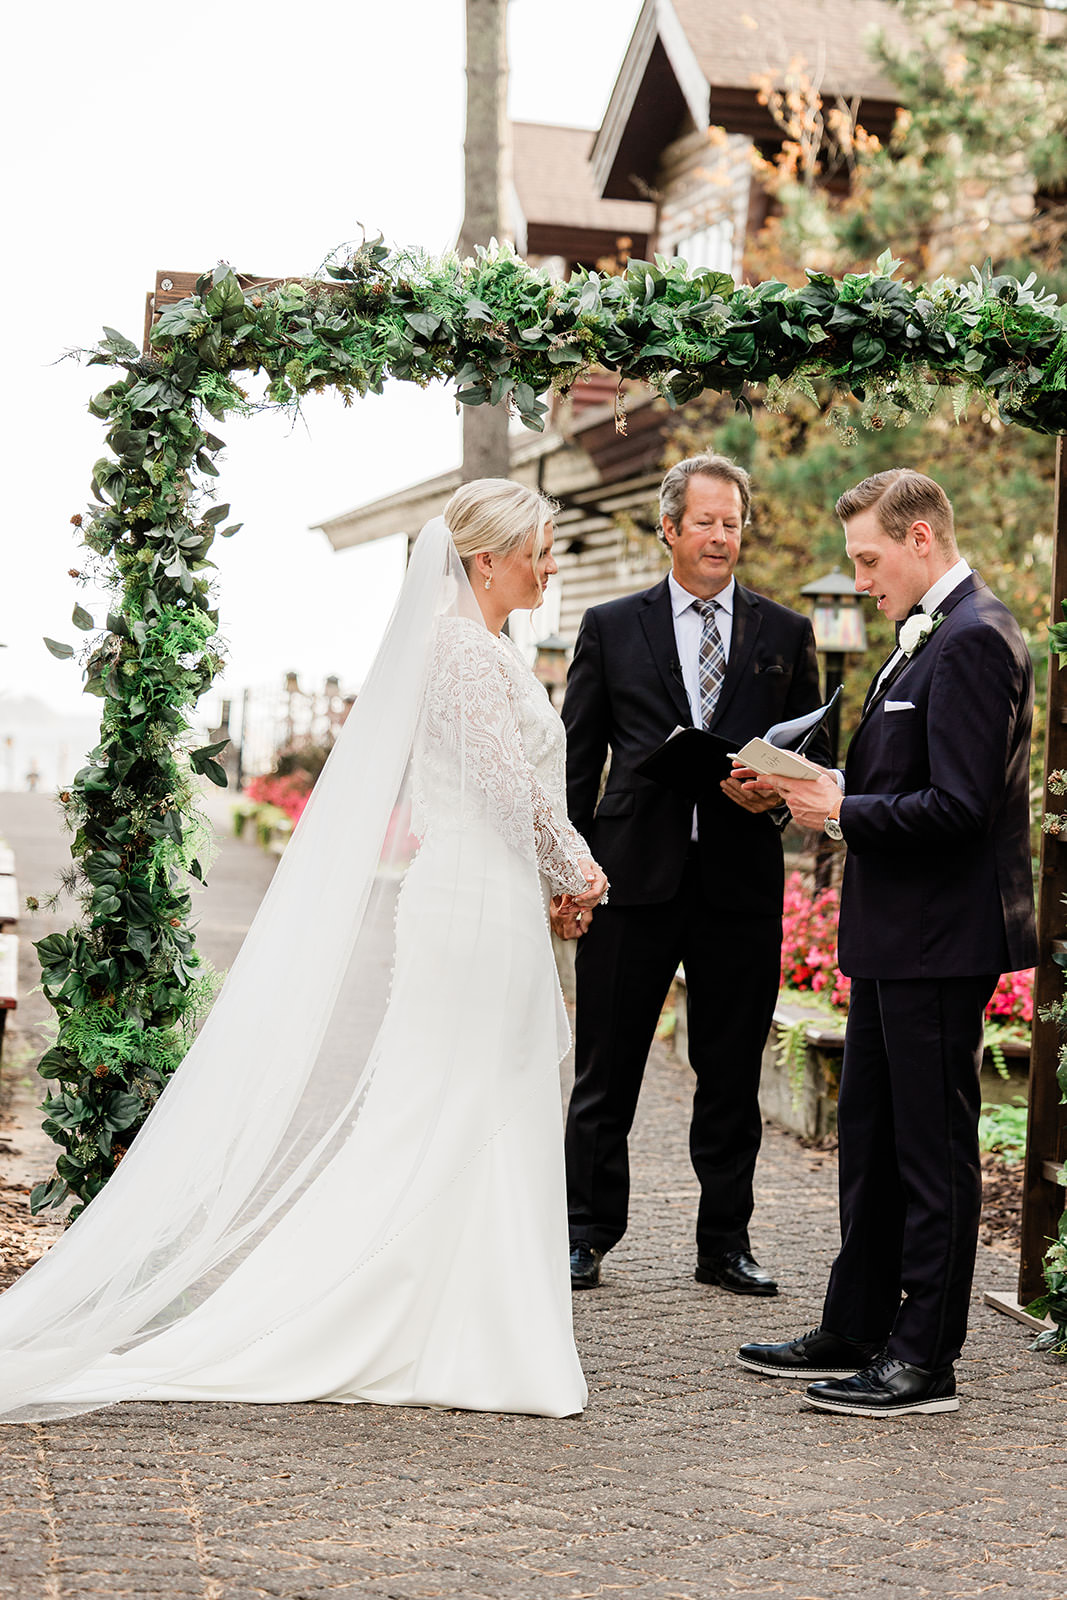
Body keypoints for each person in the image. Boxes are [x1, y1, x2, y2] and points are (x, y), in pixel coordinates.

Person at [0, 479, 607, 1425]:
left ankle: (471, 1319)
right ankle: (437, 1324)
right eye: (541, 543)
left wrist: (549, 884)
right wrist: (576, 865)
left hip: (493, 900)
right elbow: (496, 786)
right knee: (450, 1103)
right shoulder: (455, 649)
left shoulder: (484, 647)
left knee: (480, 1101)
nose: (551, 560)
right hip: (468, 909)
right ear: (485, 559)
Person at [737, 468, 1037, 1417]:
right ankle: (856, 1323)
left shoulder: (977, 638)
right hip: (891, 933)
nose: (860, 580)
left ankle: (922, 1361)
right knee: (868, 1140)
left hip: (939, 938)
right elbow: (902, 773)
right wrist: (805, 786)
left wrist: (842, 811)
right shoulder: (923, 640)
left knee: (929, 1151)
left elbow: (958, 806)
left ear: (919, 540)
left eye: (868, 560)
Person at [560, 453, 829, 1294]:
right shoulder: (608, 625)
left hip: (739, 887)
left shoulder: (785, 634)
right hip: (630, 878)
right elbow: (577, 759)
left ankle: (724, 1244)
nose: (720, 536)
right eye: (705, 521)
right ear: (669, 529)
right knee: (607, 1073)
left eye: (732, 522)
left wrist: (777, 801)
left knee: (730, 1075)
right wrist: (571, 871)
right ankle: (585, 1234)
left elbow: (816, 762)